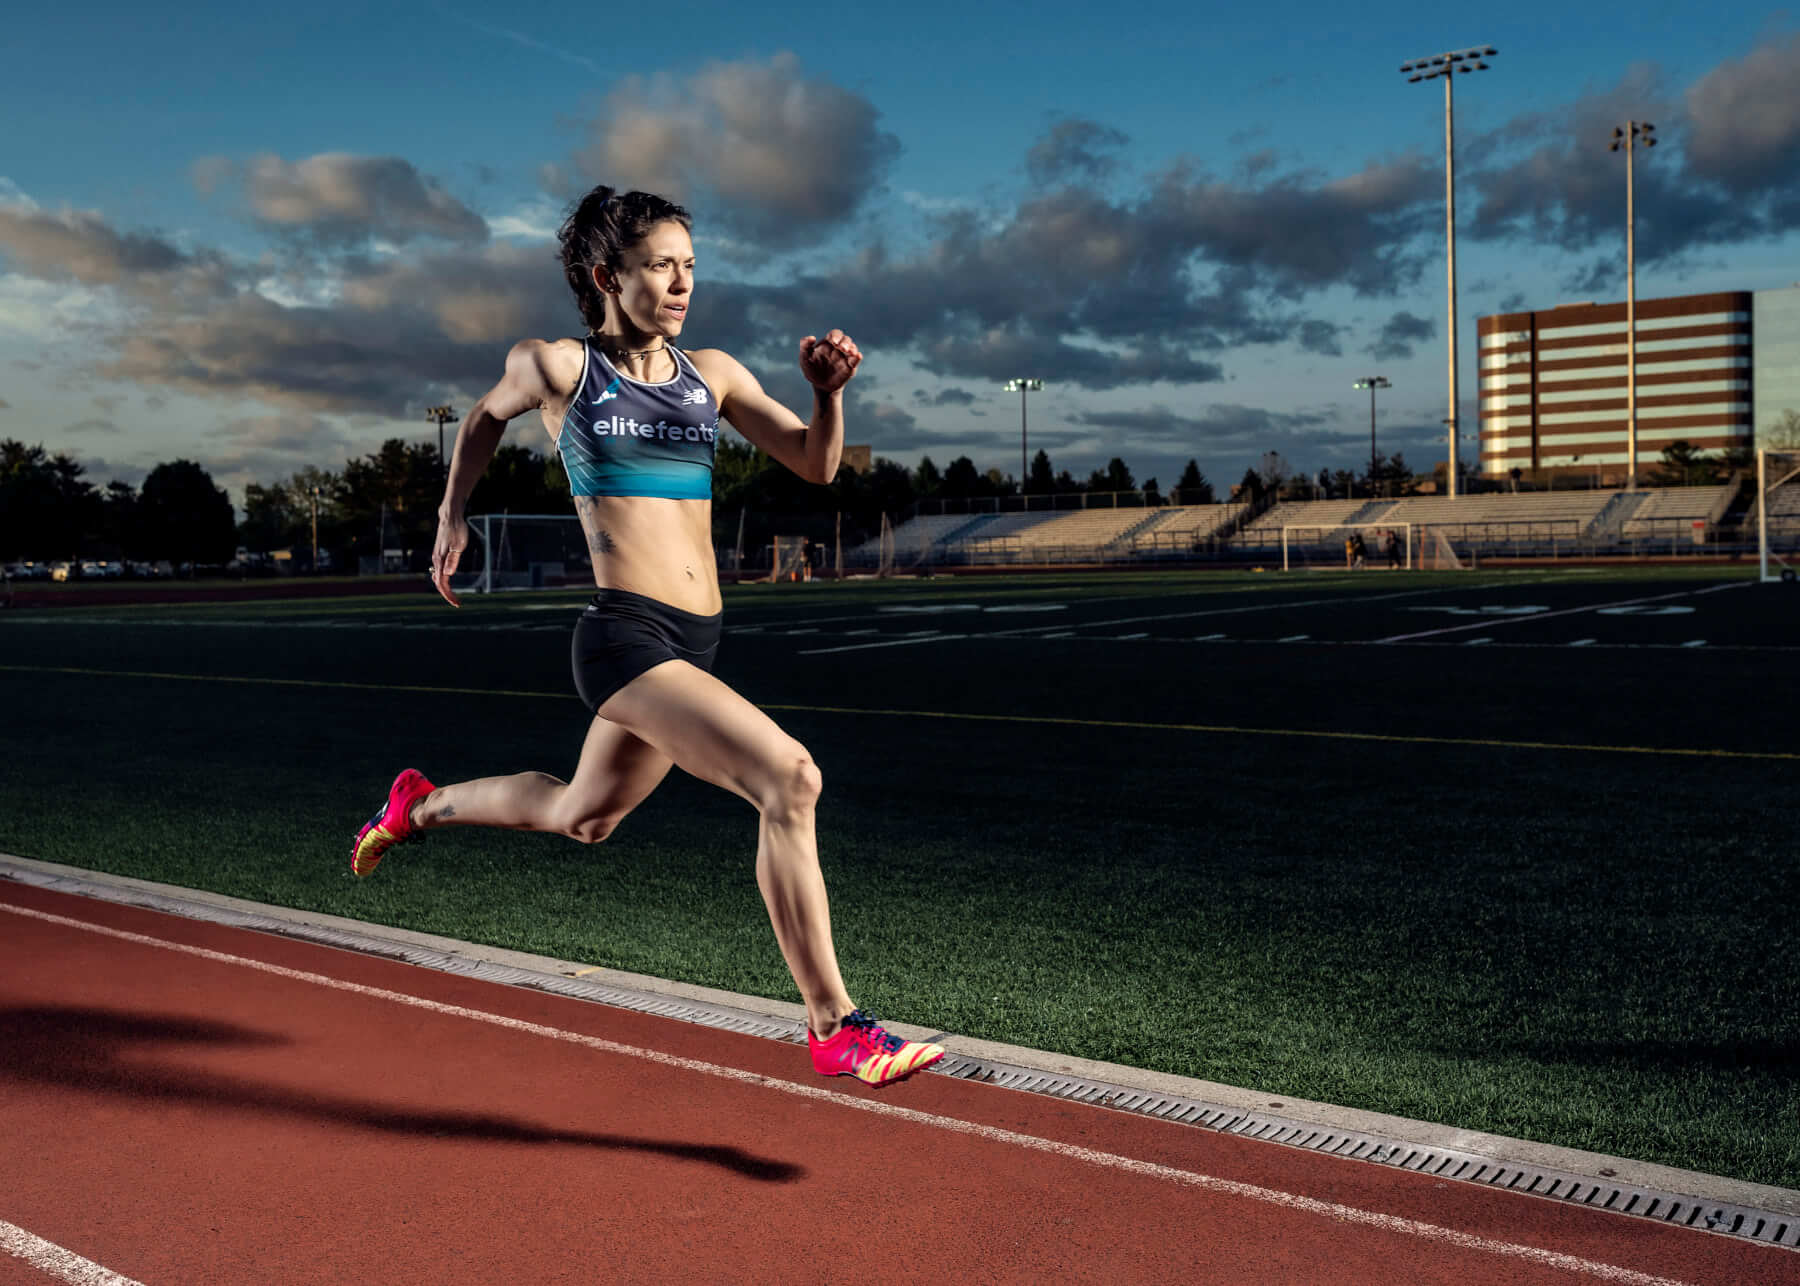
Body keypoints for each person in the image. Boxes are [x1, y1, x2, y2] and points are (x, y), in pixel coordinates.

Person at [350, 186, 944, 1088]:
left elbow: (817, 464)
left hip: (694, 640)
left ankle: (419, 804)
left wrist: (828, 398)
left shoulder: (715, 374)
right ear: (606, 276)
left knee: (581, 816)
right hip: (625, 640)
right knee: (790, 778)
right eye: (661, 265)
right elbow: (479, 420)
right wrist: (453, 512)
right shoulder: (562, 368)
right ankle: (835, 1026)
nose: (681, 283)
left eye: (689, 266)